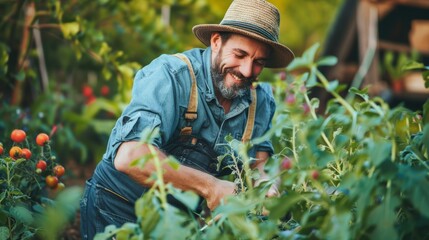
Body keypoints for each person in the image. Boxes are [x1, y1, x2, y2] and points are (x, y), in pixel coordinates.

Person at [80, 0, 294, 239]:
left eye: (258, 63)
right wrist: (211, 186)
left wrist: (268, 188)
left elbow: (259, 165)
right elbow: (131, 156)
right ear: (216, 42)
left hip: (178, 221)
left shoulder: (259, 101)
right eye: (240, 54)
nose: (246, 70)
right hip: (117, 207)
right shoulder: (171, 75)